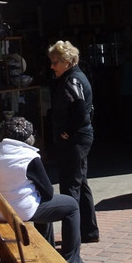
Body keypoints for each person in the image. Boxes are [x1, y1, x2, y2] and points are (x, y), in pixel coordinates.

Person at [0, 116, 93, 263]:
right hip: (20, 210)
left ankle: (47, 250)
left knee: (44, 203)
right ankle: (73, 260)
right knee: (71, 206)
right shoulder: (29, 157)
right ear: (29, 137)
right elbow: (48, 192)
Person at [47, 40, 99, 243]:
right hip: (81, 137)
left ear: (67, 61)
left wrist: (66, 131)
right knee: (80, 183)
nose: (52, 66)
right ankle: (88, 231)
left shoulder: (72, 80)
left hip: (75, 140)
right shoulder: (74, 77)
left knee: (70, 187)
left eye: (55, 62)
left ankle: (72, 238)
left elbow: (80, 112)